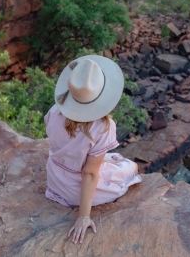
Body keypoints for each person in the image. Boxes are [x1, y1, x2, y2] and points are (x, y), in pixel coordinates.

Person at [44, 55, 142, 244]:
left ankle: (106, 161)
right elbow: (89, 173)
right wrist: (83, 216)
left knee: (111, 157)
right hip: (75, 188)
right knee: (132, 167)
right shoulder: (103, 126)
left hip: (55, 178)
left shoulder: (55, 110)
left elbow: (65, 145)